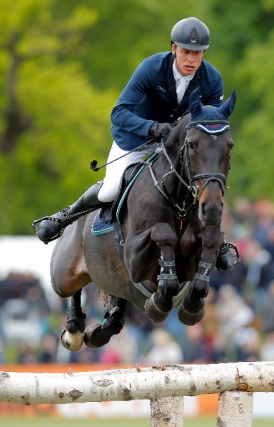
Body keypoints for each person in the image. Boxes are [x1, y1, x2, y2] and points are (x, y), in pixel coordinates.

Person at [32, 17, 237, 270]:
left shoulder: (211, 79)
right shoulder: (151, 68)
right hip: (136, 140)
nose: (191, 60)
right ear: (174, 48)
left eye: (197, 53)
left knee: (204, 185)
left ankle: (219, 242)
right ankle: (66, 216)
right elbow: (119, 112)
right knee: (110, 190)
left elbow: (210, 127)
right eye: (186, 52)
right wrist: (151, 127)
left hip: (177, 149)